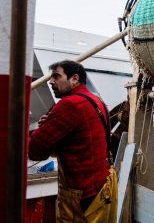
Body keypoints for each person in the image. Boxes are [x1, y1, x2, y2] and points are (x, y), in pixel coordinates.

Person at [29, 60, 117, 222]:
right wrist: (53, 126)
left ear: (74, 78)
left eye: (56, 76)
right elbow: (84, 137)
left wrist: (42, 130)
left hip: (81, 195)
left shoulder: (69, 104)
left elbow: (34, 151)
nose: (50, 82)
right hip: (105, 185)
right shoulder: (96, 100)